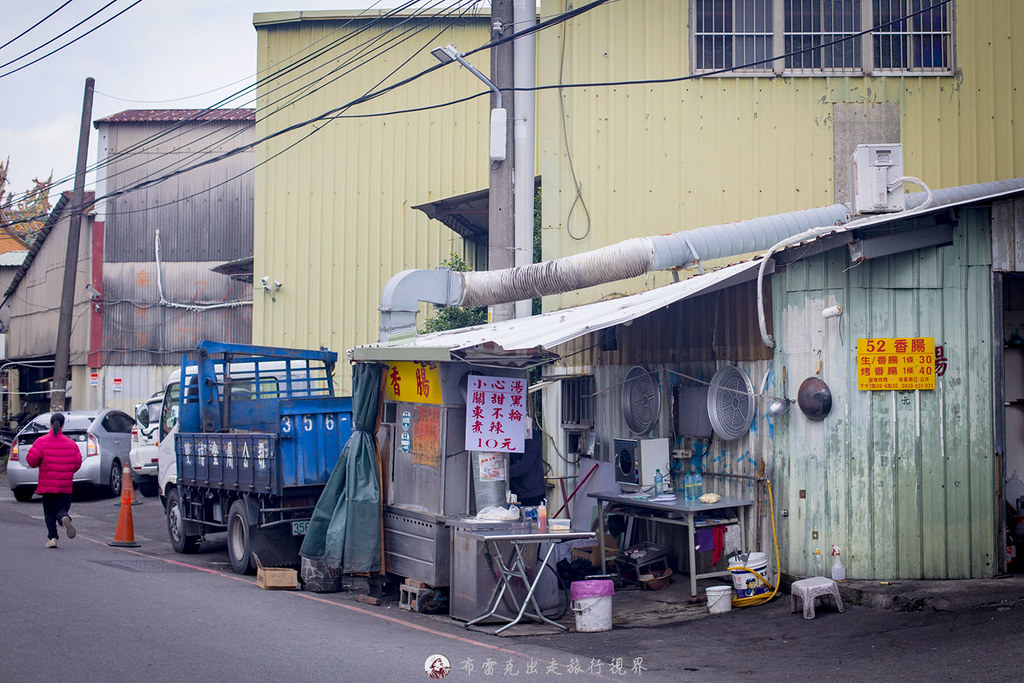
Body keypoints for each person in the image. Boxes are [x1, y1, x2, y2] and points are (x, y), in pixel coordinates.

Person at [25, 413, 83, 548]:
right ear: (62, 425)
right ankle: (64, 518)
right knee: (61, 510)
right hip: (65, 486)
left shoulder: (41, 441)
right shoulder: (72, 444)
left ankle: (53, 538)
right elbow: (77, 464)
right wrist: (67, 472)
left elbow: (31, 461)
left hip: (48, 485)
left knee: (49, 513)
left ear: (51, 424)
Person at [509, 419, 547, 506]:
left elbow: (524, 466)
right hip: (516, 491)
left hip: (532, 492)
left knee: (532, 518)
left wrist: (502, 472)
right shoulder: (513, 436)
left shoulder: (532, 438)